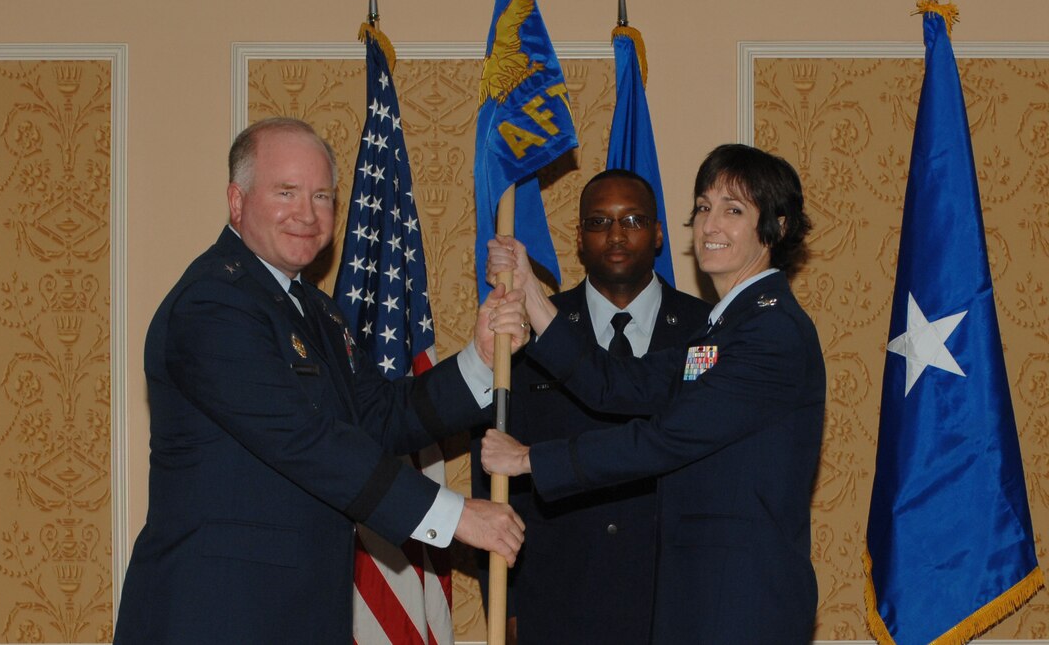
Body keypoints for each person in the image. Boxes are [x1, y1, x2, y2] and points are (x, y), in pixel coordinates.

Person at [115, 117, 528, 644]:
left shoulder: (314, 310)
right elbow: (303, 438)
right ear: (237, 201)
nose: (307, 215)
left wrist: (479, 358)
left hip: (299, 615)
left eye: (322, 196)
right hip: (215, 614)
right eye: (286, 192)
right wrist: (452, 516)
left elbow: (378, 416)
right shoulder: (213, 304)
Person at [483, 143, 825, 644]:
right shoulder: (728, 328)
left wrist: (531, 459)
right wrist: (533, 297)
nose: (710, 226)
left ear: (775, 226)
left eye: (733, 210)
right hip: (697, 601)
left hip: (739, 606)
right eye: (703, 208)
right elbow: (616, 382)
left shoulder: (770, 334)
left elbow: (664, 439)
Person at [471, 169, 710, 644]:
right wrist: (510, 606)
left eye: (634, 220)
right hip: (557, 600)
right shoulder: (521, 333)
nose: (616, 235)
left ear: (659, 233)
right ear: (579, 238)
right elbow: (493, 475)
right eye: (599, 222)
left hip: (677, 601)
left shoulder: (706, 333)